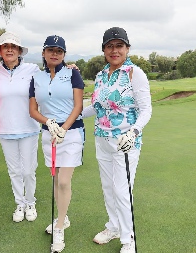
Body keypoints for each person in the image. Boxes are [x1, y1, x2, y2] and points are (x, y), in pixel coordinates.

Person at [82, 27, 152, 253]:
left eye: (119, 46)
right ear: (104, 50)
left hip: (125, 142)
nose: (114, 50)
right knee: (108, 187)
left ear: (127, 48)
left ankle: (128, 237)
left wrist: (133, 132)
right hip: (102, 139)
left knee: (122, 191)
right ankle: (113, 226)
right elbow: (96, 106)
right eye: (109, 46)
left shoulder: (135, 73)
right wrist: (72, 116)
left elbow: (146, 110)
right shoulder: (102, 75)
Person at [29, 35, 85, 253]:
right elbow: (33, 110)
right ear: (43, 53)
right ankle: (64, 216)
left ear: (63, 54)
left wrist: (63, 128)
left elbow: (78, 105)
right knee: (55, 179)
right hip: (48, 134)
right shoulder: (37, 78)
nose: (55, 54)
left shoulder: (73, 74)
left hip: (71, 134)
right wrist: (49, 122)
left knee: (63, 181)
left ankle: (59, 227)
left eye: (59, 51)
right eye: (50, 50)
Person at [0, 32, 41, 223]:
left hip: (29, 127)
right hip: (5, 129)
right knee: (14, 171)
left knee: (28, 170)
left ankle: (30, 202)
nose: (9, 49)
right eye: (5, 46)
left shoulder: (32, 69)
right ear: (0, 51)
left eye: (13, 46)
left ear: (19, 51)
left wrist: (68, 70)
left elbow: (50, 80)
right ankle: (20, 203)